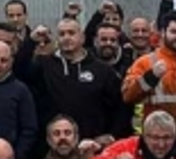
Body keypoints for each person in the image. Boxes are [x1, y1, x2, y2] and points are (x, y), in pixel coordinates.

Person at [26, 18, 127, 146]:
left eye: (71, 33)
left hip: (90, 147)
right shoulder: (43, 65)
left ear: (82, 37)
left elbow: (121, 106)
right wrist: (30, 41)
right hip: (53, 148)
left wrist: (113, 135)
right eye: (62, 34)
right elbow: (18, 70)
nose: (66, 38)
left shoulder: (102, 70)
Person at [122, 9, 176, 145]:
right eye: (174, 32)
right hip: (155, 143)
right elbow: (128, 96)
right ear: (163, 33)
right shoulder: (145, 62)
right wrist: (151, 76)